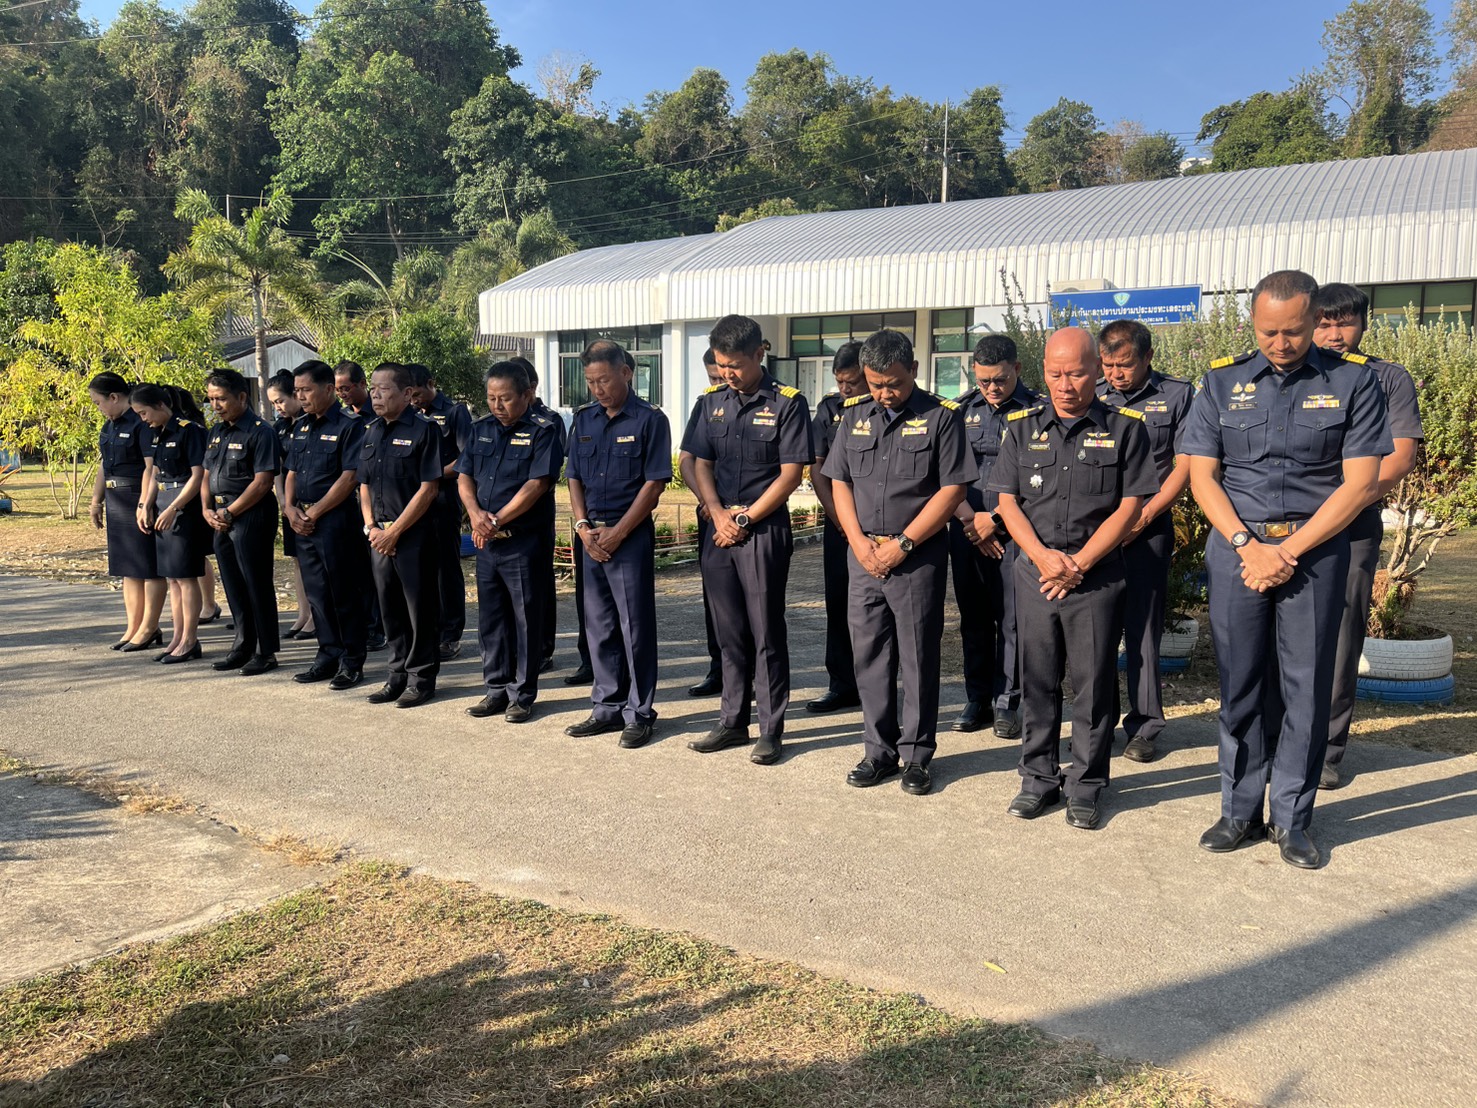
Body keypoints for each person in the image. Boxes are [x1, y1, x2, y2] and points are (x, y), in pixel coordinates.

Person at [1182, 270, 1391, 869]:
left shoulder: (1353, 382)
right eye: (1268, 332)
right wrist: (1247, 545)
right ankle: (1239, 810)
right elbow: (1203, 476)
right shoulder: (1220, 382)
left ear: (1314, 320)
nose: (1281, 343)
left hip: (1315, 553)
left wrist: (1288, 550)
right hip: (1238, 552)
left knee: (1306, 686)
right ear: (1252, 323)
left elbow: (1360, 484)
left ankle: (1293, 819)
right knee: (1239, 682)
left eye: (1294, 331)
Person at [990, 328, 1157, 830]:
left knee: (1092, 685)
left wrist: (1079, 562)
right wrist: (1042, 557)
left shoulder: (1126, 429)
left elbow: (1130, 507)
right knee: (1037, 681)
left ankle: (1086, 783)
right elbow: (1006, 502)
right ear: (1043, 371)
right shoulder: (1020, 427)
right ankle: (1038, 778)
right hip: (1035, 574)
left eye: (1078, 374)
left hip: (1096, 578)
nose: (1065, 385)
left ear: (1098, 370)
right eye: (1055, 374)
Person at [824, 330, 974, 795]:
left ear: (913, 369)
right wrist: (857, 541)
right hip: (864, 556)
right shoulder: (854, 417)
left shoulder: (942, 417)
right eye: (875, 384)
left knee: (917, 656)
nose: (885, 393)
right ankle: (878, 752)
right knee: (869, 656)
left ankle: (917, 755)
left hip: (916, 558)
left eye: (894, 383)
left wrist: (904, 544)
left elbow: (953, 489)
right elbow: (840, 481)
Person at [680, 315, 812, 765]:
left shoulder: (788, 403)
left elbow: (790, 474)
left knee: (765, 631)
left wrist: (745, 518)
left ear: (759, 354)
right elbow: (698, 462)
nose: (728, 374)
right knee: (728, 630)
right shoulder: (711, 402)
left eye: (735, 365)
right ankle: (732, 721)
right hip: (719, 530)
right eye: (721, 365)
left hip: (762, 529)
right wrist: (717, 512)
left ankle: (771, 729)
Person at [1310, 283, 1423, 790]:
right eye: (1324, 324)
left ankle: (1327, 748)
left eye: (1345, 323)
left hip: (1352, 526)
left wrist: (1341, 506)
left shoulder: (1388, 379)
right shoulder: (1289, 375)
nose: (1334, 334)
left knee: (1341, 634)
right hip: (1283, 526)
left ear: (1363, 325)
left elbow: (1398, 458)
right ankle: (1275, 738)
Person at [563, 339, 672, 748]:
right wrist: (582, 525)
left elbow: (655, 483)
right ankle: (606, 707)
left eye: (604, 380)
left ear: (626, 373)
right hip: (590, 537)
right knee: (599, 626)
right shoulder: (584, 419)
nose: (597, 389)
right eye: (590, 382)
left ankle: (639, 712)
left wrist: (619, 532)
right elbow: (574, 475)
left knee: (634, 627)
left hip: (629, 537)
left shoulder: (650, 420)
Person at [1094, 319, 1195, 763]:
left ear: (1148, 357)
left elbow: (1184, 463)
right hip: (1096, 531)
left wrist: (1146, 515)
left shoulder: (1177, 395)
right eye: (1108, 365)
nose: (1116, 374)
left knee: (1143, 628)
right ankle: (1097, 723)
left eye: (1125, 364)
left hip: (1147, 528)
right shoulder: (1091, 393)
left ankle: (1145, 726)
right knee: (1095, 629)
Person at [458, 360, 565, 722]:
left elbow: (537, 484)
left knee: (525, 620)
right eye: (491, 398)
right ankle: (495, 689)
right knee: (491, 619)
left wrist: (496, 519)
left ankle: (522, 694)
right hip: (486, 541)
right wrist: (475, 514)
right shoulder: (481, 429)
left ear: (526, 394)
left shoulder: (543, 430)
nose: (497, 405)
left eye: (505, 398)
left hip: (522, 541)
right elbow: (464, 476)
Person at [948, 334, 1037, 737]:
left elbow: (1039, 478)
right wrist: (972, 523)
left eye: (1000, 379)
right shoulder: (959, 411)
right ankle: (978, 698)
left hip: (1016, 531)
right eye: (983, 381)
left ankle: (1008, 702)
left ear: (1016, 369)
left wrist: (995, 521)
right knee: (974, 616)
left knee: (1013, 619)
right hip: (966, 528)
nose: (992, 388)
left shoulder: (1038, 411)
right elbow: (945, 472)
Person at [358, 362, 444, 707]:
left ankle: (421, 679)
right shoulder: (370, 430)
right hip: (378, 537)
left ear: (407, 394)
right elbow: (363, 484)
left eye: (384, 389)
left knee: (418, 609)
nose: (376, 395)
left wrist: (394, 532)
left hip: (412, 535)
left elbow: (428, 489)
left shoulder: (425, 430)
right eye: (373, 388)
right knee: (389, 608)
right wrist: (371, 527)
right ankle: (395, 675)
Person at [285, 360, 370, 691]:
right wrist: (289, 508)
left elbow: (350, 477)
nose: (300, 397)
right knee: (317, 593)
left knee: (342, 592)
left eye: (306, 390)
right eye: (297, 391)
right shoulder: (301, 426)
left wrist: (315, 513)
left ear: (329, 389)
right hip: (302, 522)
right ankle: (327, 654)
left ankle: (351, 660)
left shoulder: (350, 426)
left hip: (335, 521)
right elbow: (291, 471)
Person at [201, 368, 282, 676]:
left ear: (242, 397)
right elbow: (206, 474)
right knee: (233, 583)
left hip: (250, 515)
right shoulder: (216, 431)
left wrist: (230, 512)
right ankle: (243, 644)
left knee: (256, 583)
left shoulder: (260, 431)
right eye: (211, 399)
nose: (215, 405)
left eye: (221, 399)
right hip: (220, 516)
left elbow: (262, 482)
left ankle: (265, 651)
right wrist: (206, 509)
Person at [805, 342, 866, 713]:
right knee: (839, 602)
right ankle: (842, 684)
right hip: (839, 525)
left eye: (852, 382)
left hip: (881, 525)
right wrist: (840, 518)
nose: (845, 389)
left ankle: (879, 686)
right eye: (840, 382)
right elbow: (817, 467)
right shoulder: (829, 409)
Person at [131, 383, 209, 664]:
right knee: (172, 578)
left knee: (186, 577)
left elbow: (198, 475)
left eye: (144, 413)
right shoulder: (158, 433)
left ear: (161, 405)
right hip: (163, 503)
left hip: (184, 508)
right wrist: (146, 505)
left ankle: (190, 640)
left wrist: (175, 508)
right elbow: (154, 472)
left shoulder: (190, 430)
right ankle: (177, 637)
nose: (143, 419)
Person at [88, 373, 165, 652]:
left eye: (98, 402)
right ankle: (133, 627)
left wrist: (144, 503)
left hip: (137, 496)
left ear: (113, 397)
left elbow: (151, 467)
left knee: (148, 568)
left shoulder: (139, 422)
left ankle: (149, 627)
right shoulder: (108, 427)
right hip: (116, 498)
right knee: (128, 569)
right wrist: (96, 501)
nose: (98, 408)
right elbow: (104, 465)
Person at [407, 363, 472, 661]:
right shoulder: (410, 415)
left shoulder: (455, 412)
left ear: (431, 384)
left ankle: (450, 634)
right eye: (409, 395)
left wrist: (429, 476)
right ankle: (428, 630)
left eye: (418, 394)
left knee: (446, 569)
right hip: (414, 502)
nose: (414, 400)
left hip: (444, 500)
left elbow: (465, 459)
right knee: (421, 568)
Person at [512, 356, 570, 678]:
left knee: (540, 584)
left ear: (530, 388)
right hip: (501, 518)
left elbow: (547, 474)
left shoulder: (549, 421)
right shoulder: (498, 422)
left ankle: (543, 648)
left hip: (535, 515)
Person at [679, 347, 729, 697]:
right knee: (715, 598)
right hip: (711, 515)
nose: (721, 380)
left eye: (724, 372)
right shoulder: (706, 404)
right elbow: (687, 459)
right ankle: (719, 668)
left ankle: (753, 675)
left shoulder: (776, 402)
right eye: (713, 376)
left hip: (751, 518)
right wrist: (706, 502)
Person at [335, 357, 386, 652]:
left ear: (362, 384)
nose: (342, 394)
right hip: (351, 505)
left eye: (346, 388)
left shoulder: (377, 414)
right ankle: (366, 624)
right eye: (338, 389)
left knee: (376, 569)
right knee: (357, 570)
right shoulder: (343, 419)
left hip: (376, 500)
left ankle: (378, 627)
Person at [266, 370, 313, 641]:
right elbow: (279, 468)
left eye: (281, 401)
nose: (278, 407)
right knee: (297, 560)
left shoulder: (311, 421)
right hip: (289, 504)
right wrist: (284, 501)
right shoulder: (279, 428)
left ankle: (316, 617)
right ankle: (303, 614)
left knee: (312, 561)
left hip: (311, 502)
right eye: (273, 403)